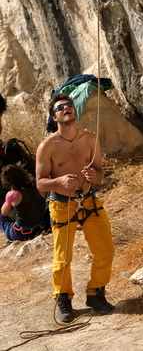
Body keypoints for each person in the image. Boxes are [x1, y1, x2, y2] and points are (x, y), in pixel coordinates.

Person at [36, 93, 115, 323]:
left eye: (70, 105)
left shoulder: (90, 139)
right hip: (61, 206)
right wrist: (58, 182)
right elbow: (40, 183)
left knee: (105, 252)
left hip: (89, 201)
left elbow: (100, 174)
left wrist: (94, 175)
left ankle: (95, 294)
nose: (67, 108)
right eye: (61, 107)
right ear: (54, 116)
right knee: (62, 258)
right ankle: (63, 298)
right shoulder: (47, 147)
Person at [0, 165, 47, 242]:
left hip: (20, 233)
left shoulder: (13, 194)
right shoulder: (37, 186)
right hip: (40, 227)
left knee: (1, 218)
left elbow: (3, 212)